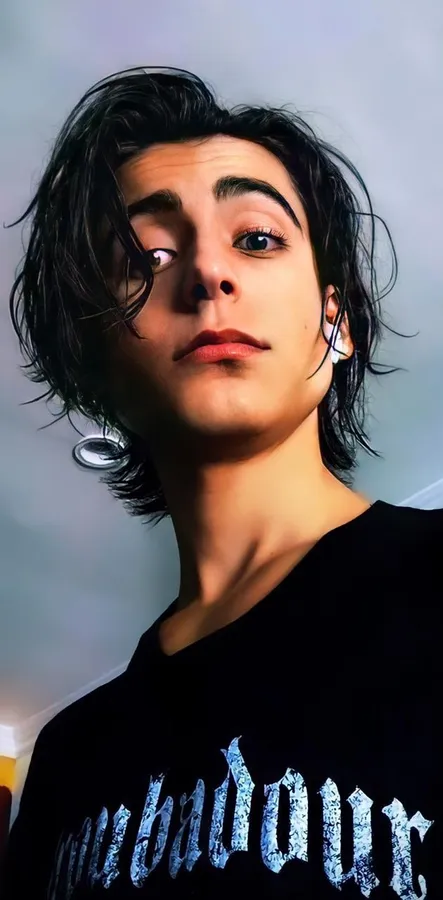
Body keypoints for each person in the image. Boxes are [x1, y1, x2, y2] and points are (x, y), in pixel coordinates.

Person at [1, 66, 441, 899]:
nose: (206, 273)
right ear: (96, 363)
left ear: (335, 322)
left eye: (257, 239)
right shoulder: (65, 758)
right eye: (149, 255)